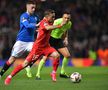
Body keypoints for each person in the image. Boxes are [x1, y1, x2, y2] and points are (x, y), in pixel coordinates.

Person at [4, 9, 66, 85]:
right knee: (25, 64)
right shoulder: (44, 22)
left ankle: (53, 73)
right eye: (52, 17)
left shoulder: (50, 21)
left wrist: (64, 20)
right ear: (46, 17)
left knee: (57, 55)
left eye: (54, 17)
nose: (54, 18)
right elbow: (47, 28)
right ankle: (10, 77)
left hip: (46, 47)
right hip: (37, 48)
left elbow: (51, 25)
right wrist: (60, 25)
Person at [0, 0, 39, 78]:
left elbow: (38, 28)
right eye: (32, 7)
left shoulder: (36, 17)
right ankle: (1, 74)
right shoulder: (24, 16)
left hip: (30, 41)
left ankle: (28, 66)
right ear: (27, 7)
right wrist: (36, 25)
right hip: (21, 41)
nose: (34, 9)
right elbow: (27, 25)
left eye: (34, 7)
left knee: (37, 53)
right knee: (12, 59)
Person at [35, 12, 72, 79]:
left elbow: (65, 30)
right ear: (62, 17)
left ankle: (62, 73)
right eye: (65, 18)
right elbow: (49, 27)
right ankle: (38, 74)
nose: (66, 19)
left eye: (68, 18)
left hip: (58, 40)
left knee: (67, 55)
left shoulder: (69, 24)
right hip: (50, 39)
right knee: (45, 57)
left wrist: (66, 38)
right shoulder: (57, 21)